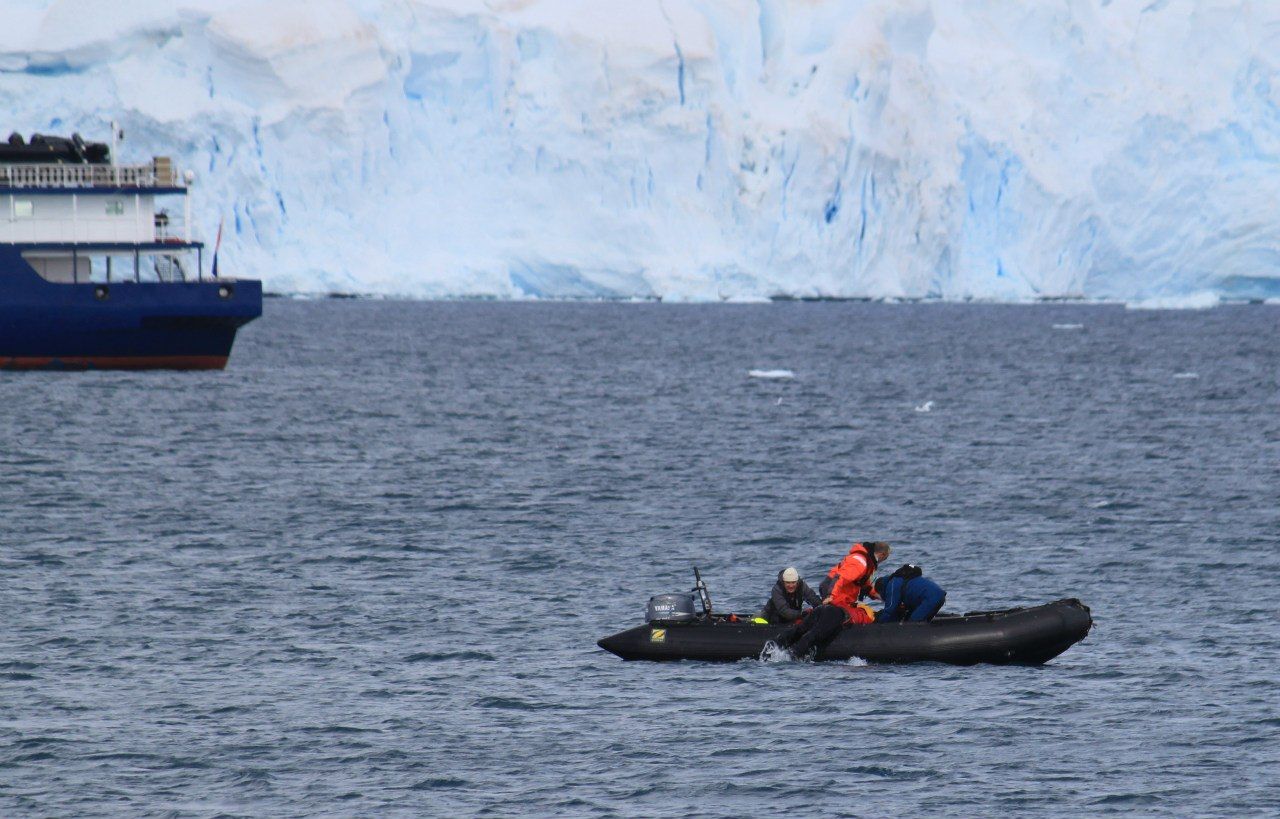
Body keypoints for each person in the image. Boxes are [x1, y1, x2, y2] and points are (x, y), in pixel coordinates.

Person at [778, 541, 890, 658]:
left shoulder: (866, 562)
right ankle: (792, 652)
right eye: (885, 558)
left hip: (840, 597)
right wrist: (831, 596)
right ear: (882, 555)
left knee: (822, 620)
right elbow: (840, 579)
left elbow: (864, 585)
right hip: (835, 594)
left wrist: (881, 597)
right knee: (825, 624)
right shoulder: (860, 562)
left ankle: (784, 646)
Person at [873, 564, 947, 623]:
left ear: (881, 589)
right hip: (940, 597)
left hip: (930, 599)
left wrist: (878, 623)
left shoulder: (892, 584)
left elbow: (889, 610)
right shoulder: (901, 580)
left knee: (912, 624)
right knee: (921, 621)